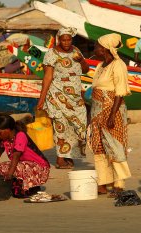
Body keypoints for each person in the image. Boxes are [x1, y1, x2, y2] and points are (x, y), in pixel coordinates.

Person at [36, 27, 89, 169]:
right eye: (63, 40)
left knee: (80, 124)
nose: (66, 42)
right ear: (59, 39)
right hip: (57, 93)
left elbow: (85, 70)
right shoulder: (51, 54)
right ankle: (60, 160)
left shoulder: (76, 50)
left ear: (72, 39)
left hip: (75, 96)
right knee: (61, 126)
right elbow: (47, 77)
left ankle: (69, 154)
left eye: (69, 39)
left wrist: (82, 60)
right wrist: (41, 100)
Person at [88, 33, 132, 197]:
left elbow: (120, 93)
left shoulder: (118, 65)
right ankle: (103, 182)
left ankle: (119, 184)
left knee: (115, 146)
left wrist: (112, 115)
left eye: (96, 46)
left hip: (112, 110)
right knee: (99, 147)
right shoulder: (101, 66)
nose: (94, 49)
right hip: (96, 112)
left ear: (105, 49)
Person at [0, 116, 50, 197]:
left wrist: (10, 174)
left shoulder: (20, 135)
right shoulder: (3, 140)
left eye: (0, 132)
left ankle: (31, 187)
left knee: (16, 168)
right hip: (24, 166)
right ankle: (22, 185)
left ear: (8, 130)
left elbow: (16, 156)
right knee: (1, 167)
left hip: (40, 168)